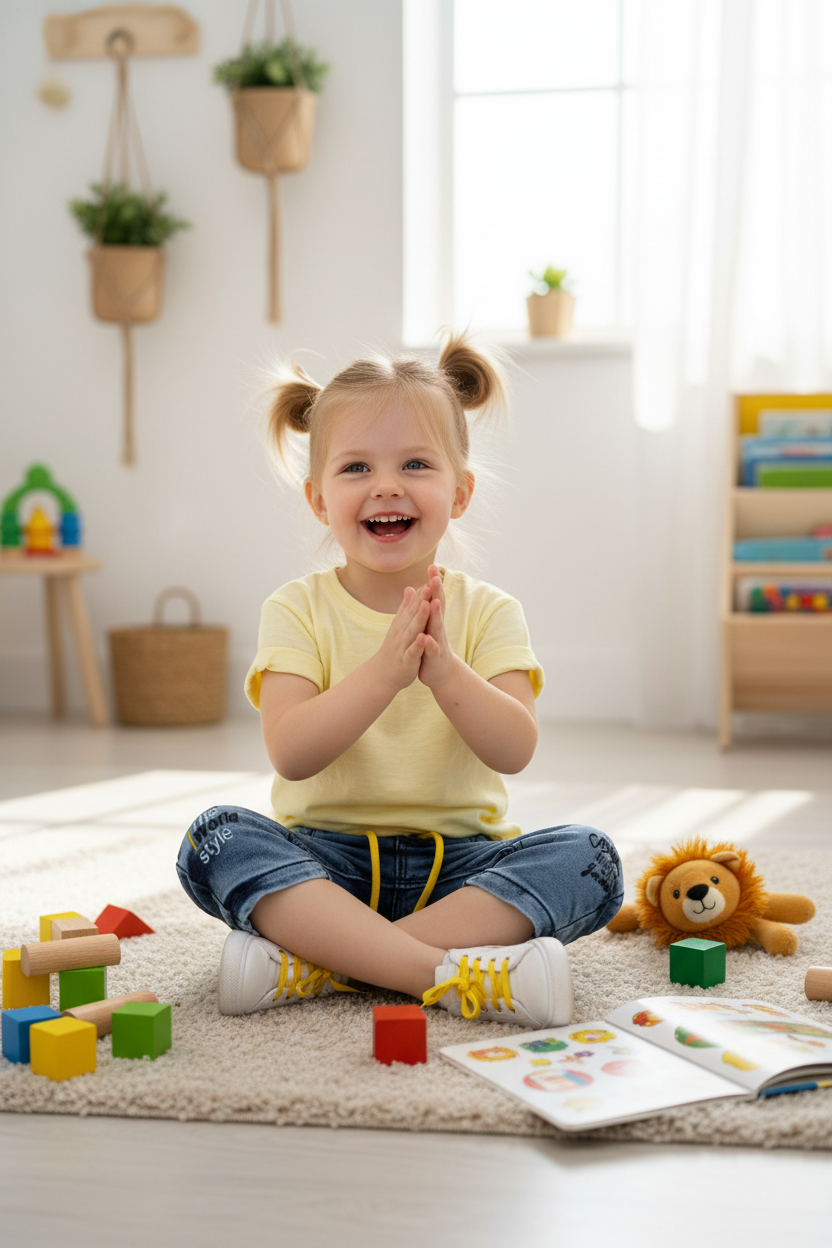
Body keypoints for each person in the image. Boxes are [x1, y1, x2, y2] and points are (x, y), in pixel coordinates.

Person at [176, 334, 623, 1028]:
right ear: (320, 500)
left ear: (461, 491)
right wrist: (384, 673)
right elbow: (292, 752)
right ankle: (443, 974)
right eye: (357, 467)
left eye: (416, 463)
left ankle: (316, 964)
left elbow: (514, 749)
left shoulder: (490, 612)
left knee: (590, 858)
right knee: (214, 837)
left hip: (464, 870)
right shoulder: (295, 609)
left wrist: (443, 669)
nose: (387, 485)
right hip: (324, 864)